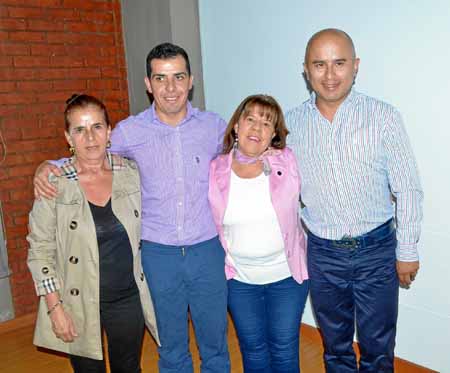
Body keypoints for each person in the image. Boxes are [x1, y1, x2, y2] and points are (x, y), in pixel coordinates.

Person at [32, 43, 230, 373]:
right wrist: (49, 165)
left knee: (215, 344)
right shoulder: (129, 131)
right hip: (157, 254)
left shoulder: (214, 127)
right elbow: (90, 152)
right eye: (161, 78)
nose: (170, 88)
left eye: (178, 77)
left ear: (191, 80)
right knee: (171, 344)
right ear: (148, 83)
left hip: (206, 250)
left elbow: (246, 155)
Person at [285, 29, 424, 373]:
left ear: (355, 66)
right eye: (319, 64)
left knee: (379, 348)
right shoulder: (290, 125)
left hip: (376, 252)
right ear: (306, 69)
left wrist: (406, 251)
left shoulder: (383, 117)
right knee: (335, 347)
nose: (330, 75)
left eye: (339, 63)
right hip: (323, 254)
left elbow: (407, 187)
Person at [27, 94, 159, 373]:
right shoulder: (54, 184)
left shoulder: (131, 172)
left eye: (97, 127)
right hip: (77, 301)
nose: (90, 137)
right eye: (79, 129)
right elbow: (39, 251)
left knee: (129, 368)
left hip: (126, 297)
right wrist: (55, 308)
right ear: (68, 137)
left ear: (109, 131)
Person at [209, 95, 309, 373]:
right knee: (253, 350)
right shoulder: (216, 168)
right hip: (239, 279)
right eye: (250, 119)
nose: (257, 128)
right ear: (237, 126)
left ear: (274, 134)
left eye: (267, 123)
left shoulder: (286, 162)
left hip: (287, 278)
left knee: (284, 348)